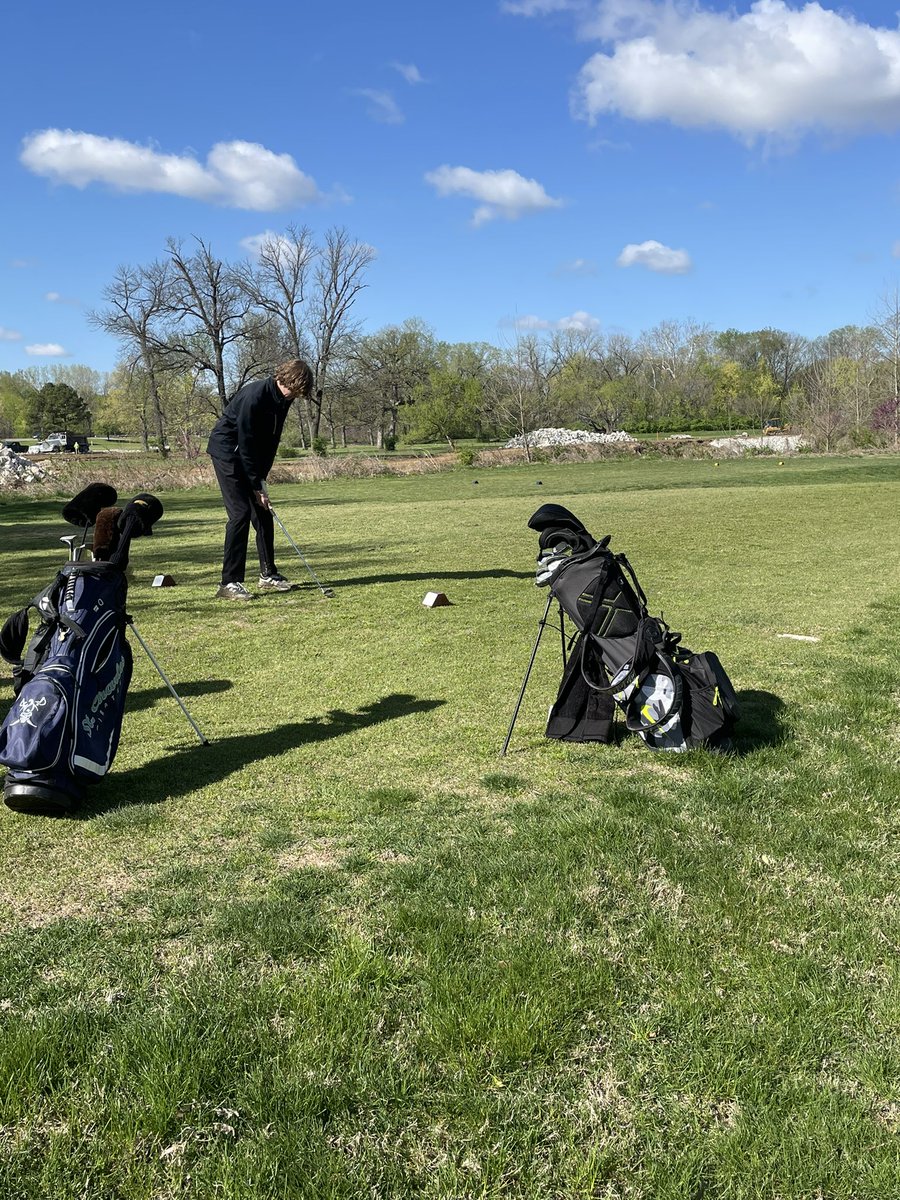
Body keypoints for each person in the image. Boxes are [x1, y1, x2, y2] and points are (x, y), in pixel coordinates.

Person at [207, 358, 313, 600]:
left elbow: (270, 443)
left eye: (297, 394)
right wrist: (255, 484)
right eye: (293, 391)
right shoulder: (253, 397)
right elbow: (245, 444)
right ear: (284, 380)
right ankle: (229, 583)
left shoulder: (283, 400)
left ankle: (268, 575)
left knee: (263, 512)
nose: (293, 397)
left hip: (249, 456)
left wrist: (261, 482)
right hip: (227, 452)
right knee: (240, 513)